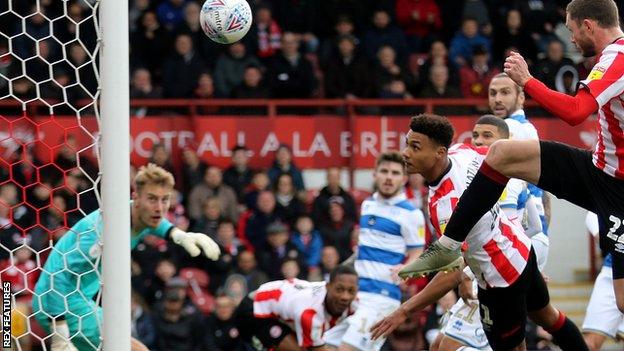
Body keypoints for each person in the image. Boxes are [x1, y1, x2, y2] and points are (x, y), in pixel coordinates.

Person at [400, 0, 624, 314]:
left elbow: (576, 112)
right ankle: (448, 246)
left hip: (617, 190)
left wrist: (527, 80)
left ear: (588, 26)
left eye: (572, 31)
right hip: (599, 169)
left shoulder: (617, 56)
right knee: (502, 153)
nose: (571, 39)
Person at [373, 115, 587, 350]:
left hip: (500, 281)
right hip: (522, 250)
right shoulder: (462, 152)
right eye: (407, 144)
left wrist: (405, 310)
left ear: (439, 153)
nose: (405, 153)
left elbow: (452, 272)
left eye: (415, 147)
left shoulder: (449, 205)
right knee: (549, 317)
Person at [32, 163, 220, 351]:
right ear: (136, 197)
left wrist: (178, 234)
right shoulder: (101, 232)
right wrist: (60, 332)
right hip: (59, 303)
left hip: (81, 300)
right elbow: (59, 276)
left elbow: (156, 224)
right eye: (152, 199)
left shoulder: (136, 213)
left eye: (165, 200)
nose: (159, 208)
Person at [431, 115, 546, 350]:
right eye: (475, 136)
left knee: (446, 347)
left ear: (505, 142)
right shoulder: (508, 178)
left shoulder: (500, 182)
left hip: (493, 274)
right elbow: (534, 228)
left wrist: (529, 268)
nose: (479, 141)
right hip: (496, 267)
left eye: (487, 136)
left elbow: (533, 229)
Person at [324, 151, 426, 351]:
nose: (389, 177)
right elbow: (363, 249)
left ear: (404, 178)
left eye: (395, 173)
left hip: (382, 298)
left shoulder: (411, 214)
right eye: (384, 171)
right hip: (355, 295)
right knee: (324, 345)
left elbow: (418, 253)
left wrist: (406, 268)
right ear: (375, 174)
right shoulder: (368, 204)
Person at [233, 265, 359, 351]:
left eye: (351, 291)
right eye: (339, 290)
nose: (345, 297)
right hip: (255, 309)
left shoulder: (357, 303)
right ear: (327, 287)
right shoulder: (310, 314)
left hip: (282, 308)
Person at [582, 212, 624, 351]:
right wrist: (602, 236)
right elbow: (592, 213)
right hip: (613, 269)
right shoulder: (612, 191)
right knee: (589, 344)